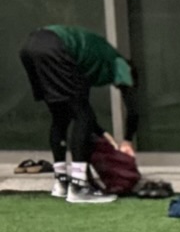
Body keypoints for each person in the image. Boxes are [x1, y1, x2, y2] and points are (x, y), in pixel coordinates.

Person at [17, 24, 136, 204]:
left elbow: (77, 106)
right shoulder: (119, 63)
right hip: (55, 46)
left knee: (60, 114)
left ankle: (61, 181)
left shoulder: (91, 60)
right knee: (83, 116)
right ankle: (79, 186)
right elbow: (131, 107)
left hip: (31, 47)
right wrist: (127, 140)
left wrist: (102, 132)